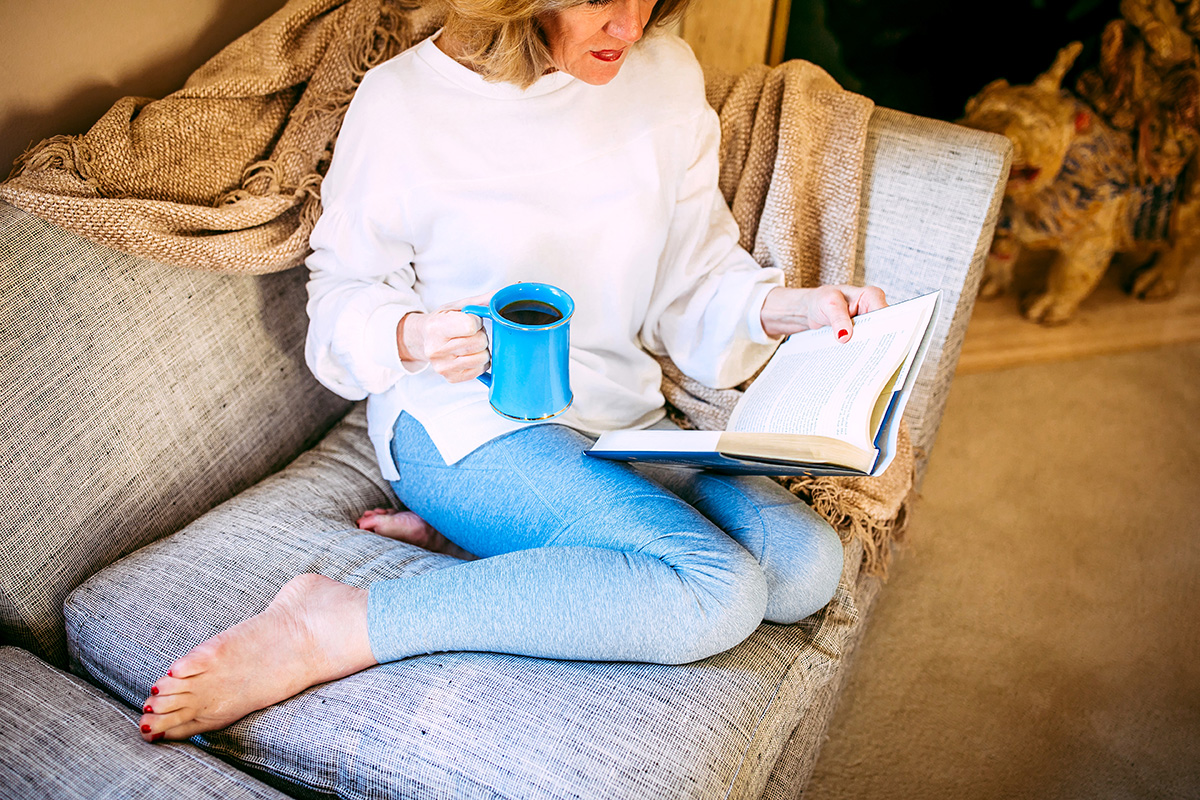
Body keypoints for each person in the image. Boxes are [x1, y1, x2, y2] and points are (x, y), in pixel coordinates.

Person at [136, 0, 887, 744]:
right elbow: (339, 301)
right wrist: (414, 333)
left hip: (619, 416)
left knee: (805, 569)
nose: (630, 25)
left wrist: (798, 311)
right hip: (464, 422)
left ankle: (503, 541)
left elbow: (689, 282)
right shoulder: (403, 103)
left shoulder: (664, 75)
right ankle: (335, 623)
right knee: (716, 591)